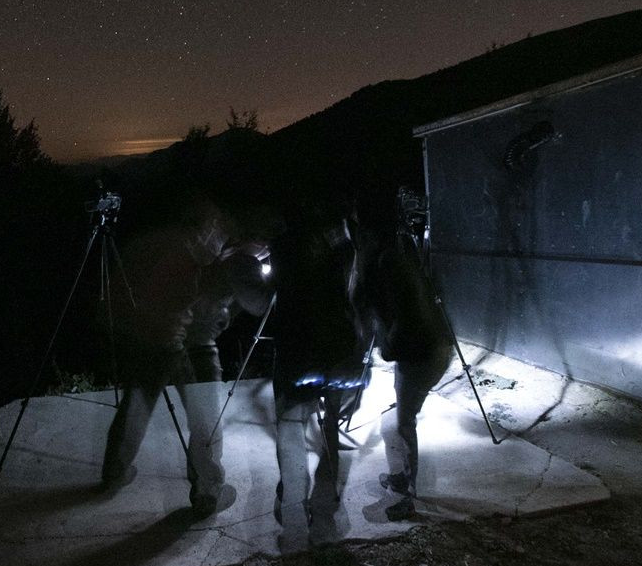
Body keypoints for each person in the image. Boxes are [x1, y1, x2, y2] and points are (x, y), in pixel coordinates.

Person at [100, 196, 269, 518]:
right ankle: (207, 492)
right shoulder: (205, 246)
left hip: (153, 335)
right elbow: (248, 300)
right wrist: (248, 265)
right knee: (205, 419)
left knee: (137, 402)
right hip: (190, 342)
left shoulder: (173, 241)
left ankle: (114, 472)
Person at [266, 196, 370, 547]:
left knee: (292, 425)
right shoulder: (341, 242)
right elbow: (350, 286)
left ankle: (293, 500)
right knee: (329, 425)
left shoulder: (281, 246)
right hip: (337, 342)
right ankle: (325, 502)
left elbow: (276, 291)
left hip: (297, 346)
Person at [362, 188, 455, 521]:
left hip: (424, 351)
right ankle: (402, 479)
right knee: (396, 420)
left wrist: (388, 344)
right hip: (431, 347)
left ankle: (408, 494)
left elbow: (404, 312)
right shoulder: (398, 255)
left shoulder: (387, 261)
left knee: (402, 424)